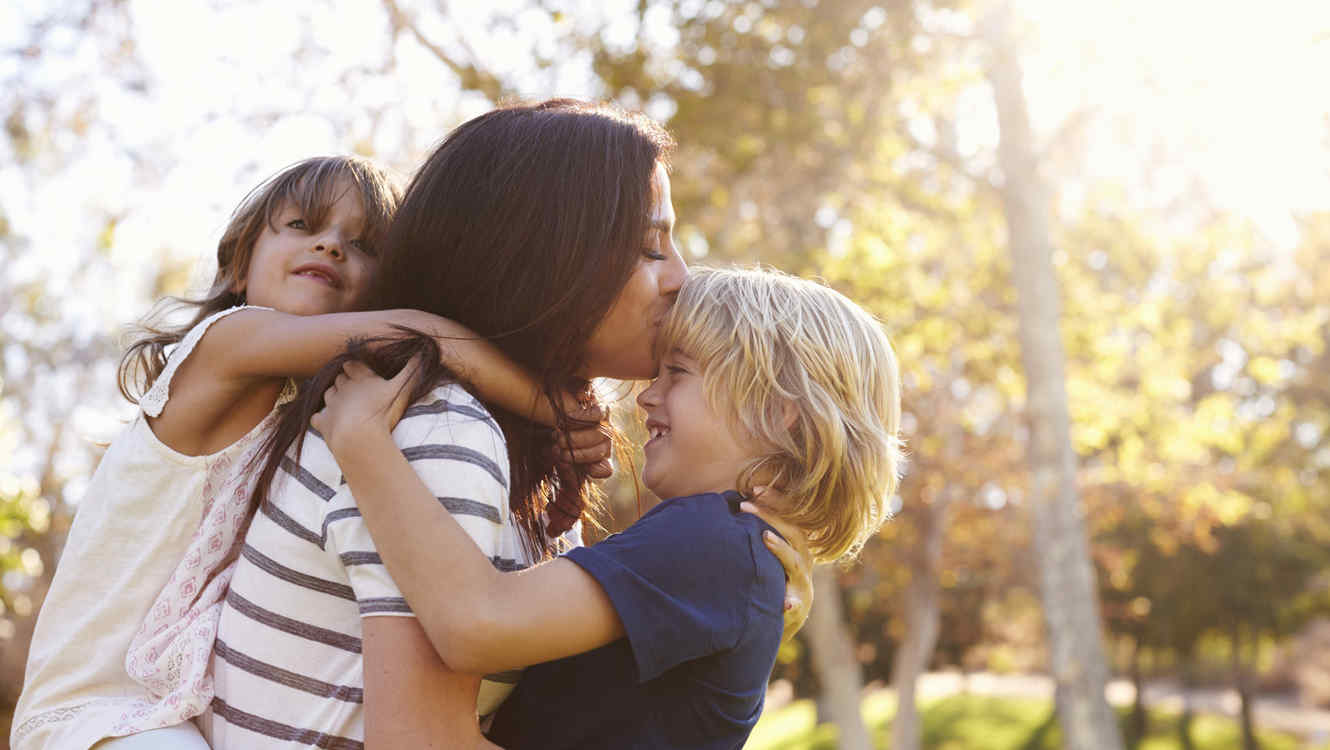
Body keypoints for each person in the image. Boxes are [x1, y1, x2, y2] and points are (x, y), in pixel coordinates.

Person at [205, 100, 814, 749]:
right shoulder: (440, 434)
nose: (681, 279)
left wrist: (734, 591)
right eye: (646, 247)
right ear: (540, 259)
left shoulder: (506, 443)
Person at [10, 155, 606, 750]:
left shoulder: (314, 405)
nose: (330, 248)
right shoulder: (225, 344)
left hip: (176, 703)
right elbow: (420, 337)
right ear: (240, 265)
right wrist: (552, 407)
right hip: (93, 708)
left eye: (362, 244)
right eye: (303, 226)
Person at [317, 265, 903, 749]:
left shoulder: (714, 540)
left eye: (678, 373)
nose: (648, 394)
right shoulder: (733, 555)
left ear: (778, 412)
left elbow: (477, 623)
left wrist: (362, 440)